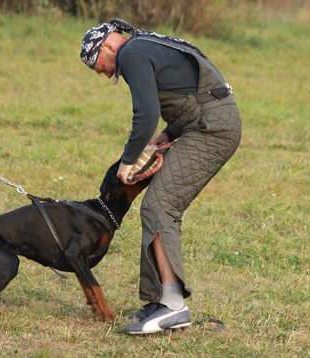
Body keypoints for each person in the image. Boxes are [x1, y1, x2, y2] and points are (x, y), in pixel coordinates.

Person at [80, 19, 242, 334]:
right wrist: (166, 134)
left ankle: (172, 307)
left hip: (212, 130)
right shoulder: (143, 45)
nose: (100, 73)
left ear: (109, 46)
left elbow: (146, 113)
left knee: (160, 205)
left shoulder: (131, 54)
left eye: (97, 66)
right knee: (159, 205)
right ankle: (161, 300)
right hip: (206, 122)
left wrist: (126, 163)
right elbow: (188, 93)